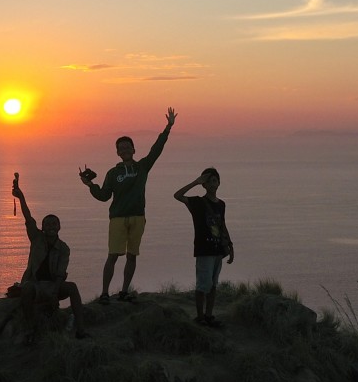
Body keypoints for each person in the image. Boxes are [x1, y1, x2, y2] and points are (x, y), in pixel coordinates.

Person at [80, 107, 177, 304]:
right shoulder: (112, 173)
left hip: (138, 217)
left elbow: (156, 149)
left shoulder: (142, 167)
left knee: (132, 256)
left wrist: (168, 127)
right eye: (121, 148)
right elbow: (104, 196)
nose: (124, 150)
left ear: (133, 149)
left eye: (127, 147)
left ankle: (124, 291)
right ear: (117, 152)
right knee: (113, 255)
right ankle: (105, 293)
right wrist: (90, 185)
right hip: (117, 218)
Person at [12, 173, 87, 339]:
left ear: (59, 227)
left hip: (54, 285)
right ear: (43, 228)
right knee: (27, 289)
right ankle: (30, 329)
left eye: (54, 224)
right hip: (35, 283)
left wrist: (54, 291)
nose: (51, 226)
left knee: (72, 288)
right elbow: (28, 217)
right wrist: (21, 196)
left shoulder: (64, 248)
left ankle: (81, 330)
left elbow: (61, 273)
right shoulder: (36, 238)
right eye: (48, 224)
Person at [173, 167, 234, 326]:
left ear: (219, 183)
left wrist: (230, 245)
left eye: (214, 180)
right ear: (204, 185)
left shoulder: (221, 204)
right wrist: (196, 182)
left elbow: (222, 224)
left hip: (217, 251)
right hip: (204, 250)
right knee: (202, 286)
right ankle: (200, 317)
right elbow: (177, 195)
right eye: (208, 181)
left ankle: (208, 315)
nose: (212, 184)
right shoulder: (197, 203)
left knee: (213, 285)